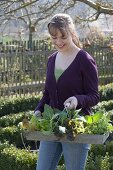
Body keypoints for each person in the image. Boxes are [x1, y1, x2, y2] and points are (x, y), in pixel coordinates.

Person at [34, 13, 99, 170]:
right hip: (51, 124)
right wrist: (39, 109)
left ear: (72, 32)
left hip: (75, 127)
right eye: (54, 37)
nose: (58, 42)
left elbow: (94, 96)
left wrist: (78, 100)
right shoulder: (51, 60)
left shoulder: (84, 59)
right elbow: (47, 94)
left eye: (63, 37)